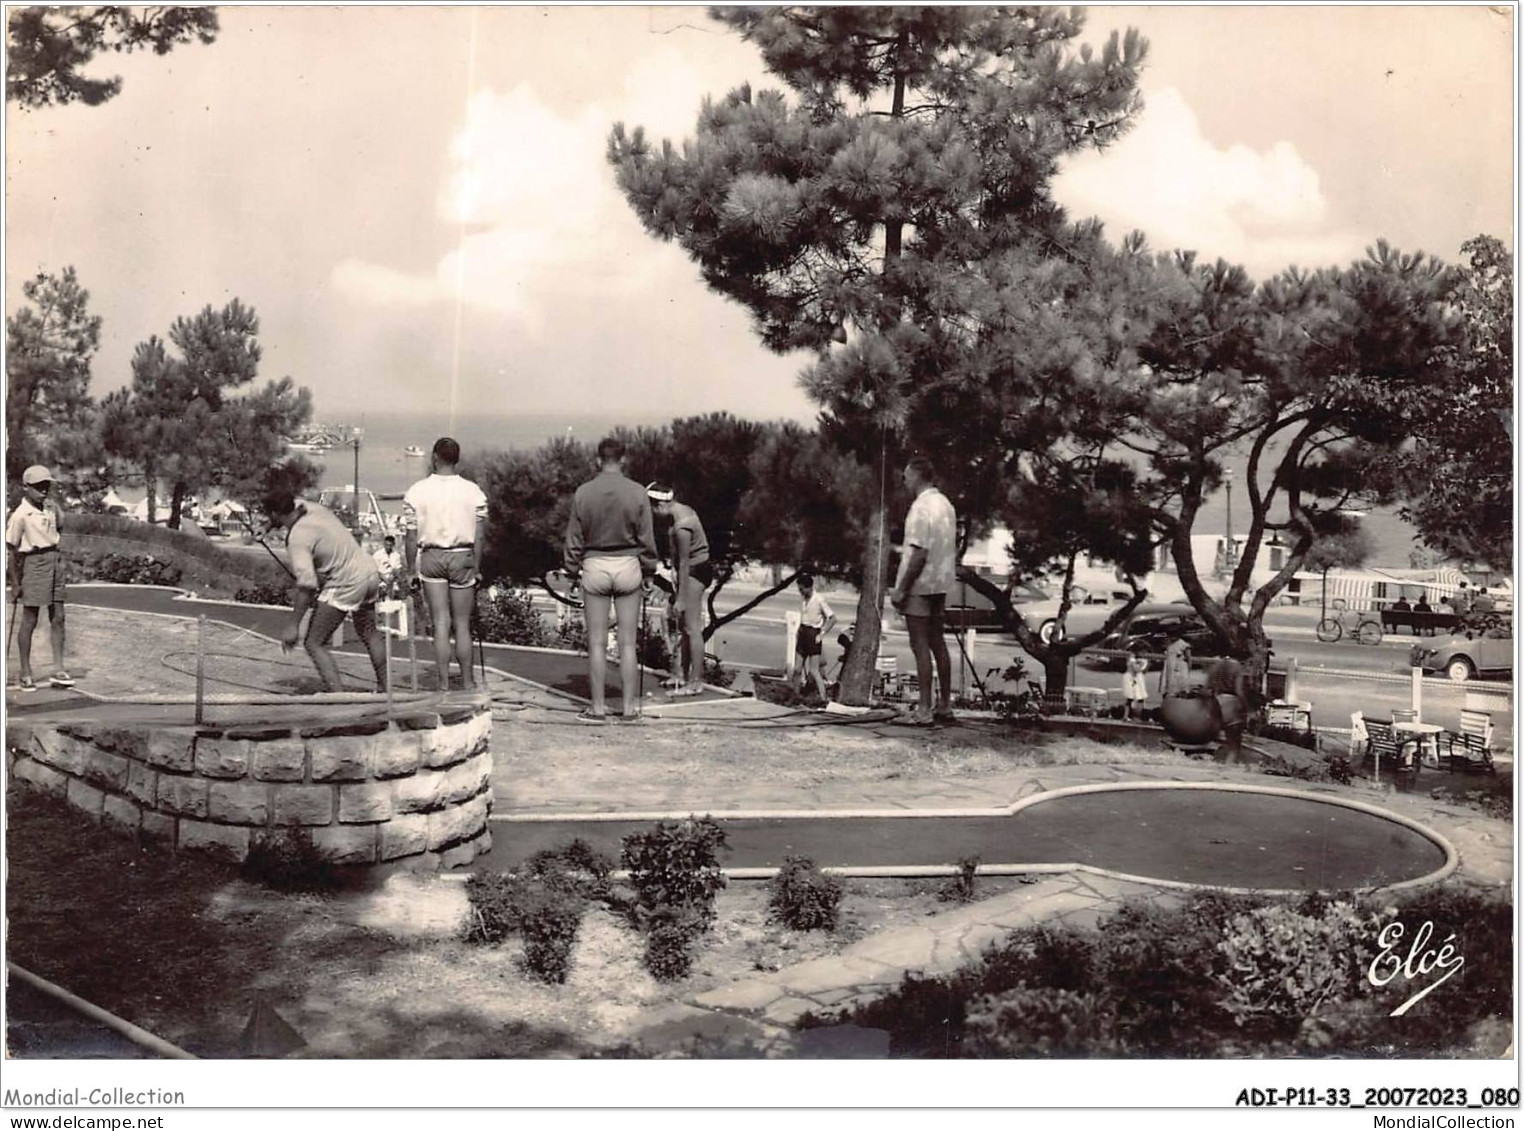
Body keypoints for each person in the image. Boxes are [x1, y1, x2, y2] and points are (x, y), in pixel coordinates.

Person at [564, 438, 659, 722]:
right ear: (623, 460)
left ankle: (597, 708)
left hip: (594, 565)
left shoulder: (583, 492)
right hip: (629, 564)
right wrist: (650, 571)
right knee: (628, 643)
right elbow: (647, 537)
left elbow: (574, 538)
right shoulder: (638, 492)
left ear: (597, 460)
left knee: (597, 642)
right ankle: (629, 710)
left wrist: (571, 571)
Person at [262, 489, 389, 693]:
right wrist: (267, 527)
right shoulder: (312, 509)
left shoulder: (297, 538)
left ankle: (337, 698)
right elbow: (289, 504)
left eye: (268, 516)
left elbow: (307, 586)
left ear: (276, 513)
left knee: (314, 642)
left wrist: (293, 625)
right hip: (369, 571)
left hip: (346, 582)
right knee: (368, 632)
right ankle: (386, 689)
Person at [402, 438, 489, 691]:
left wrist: (410, 570)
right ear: (457, 459)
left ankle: (442, 683)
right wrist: (477, 567)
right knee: (462, 624)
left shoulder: (417, 490)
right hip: (462, 556)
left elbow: (410, 535)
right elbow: (481, 535)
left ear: (434, 457)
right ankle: (468, 681)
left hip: (431, 556)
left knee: (441, 622)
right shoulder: (473, 491)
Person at [888, 456, 956, 725]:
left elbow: (918, 552)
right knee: (938, 642)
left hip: (920, 583)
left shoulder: (920, 507)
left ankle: (924, 710)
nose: (904, 482)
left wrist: (901, 589)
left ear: (916, 476)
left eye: (906, 476)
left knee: (919, 645)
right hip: (940, 582)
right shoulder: (945, 504)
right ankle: (944, 706)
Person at [6, 465, 72, 691]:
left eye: (46, 486)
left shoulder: (51, 508)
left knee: (59, 616)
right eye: (38, 487)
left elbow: (60, 529)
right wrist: (14, 582)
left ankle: (59, 669)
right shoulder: (20, 515)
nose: (43, 491)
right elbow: (11, 550)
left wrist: (56, 506)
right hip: (34, 563)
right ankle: (25, 671)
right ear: (26, 488)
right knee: (30, 619)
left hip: (55, 560)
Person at [646, 483, 712, 697]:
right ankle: (680, 674)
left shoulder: (682, 526)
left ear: (661, 504)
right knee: (684, 626)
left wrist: (681, 598)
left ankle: (696, 682)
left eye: (653, 508)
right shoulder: (681, 512)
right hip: (689, 571)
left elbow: (684, 563)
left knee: (692, 627)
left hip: (695, 571)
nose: (653, 514)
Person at [789, 571, 836, 703]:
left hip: (813, 633)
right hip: (803, 631)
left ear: (809, 587)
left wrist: (822, 633)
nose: (801, 592)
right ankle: (795, 696)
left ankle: (823, 698)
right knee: (797, 669)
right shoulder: (803, 599)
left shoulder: (819, 599)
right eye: (799, 589)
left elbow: (832, 618)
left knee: (814, 670)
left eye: (802, 589)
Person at [1159, 633, 1192, 699]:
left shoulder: (1183, 644)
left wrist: (1188, 669)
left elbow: (1189, 658)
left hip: (1179, 668)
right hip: (1169, 666)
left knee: (1180, 686)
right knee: (1167, 685)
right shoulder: (1167, 643)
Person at [1122, 645, 1149, 720]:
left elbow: (1144, 670)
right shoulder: (1132, 659)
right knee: (1130, 698)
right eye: (1143, 652)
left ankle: (1138, 715)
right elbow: (1136, 669)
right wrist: (1142, 664)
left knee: (1140, 698)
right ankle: (1126, 716)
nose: (1144, 654)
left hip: (1139, 679)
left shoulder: (1142, 660)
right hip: (1131, 679)